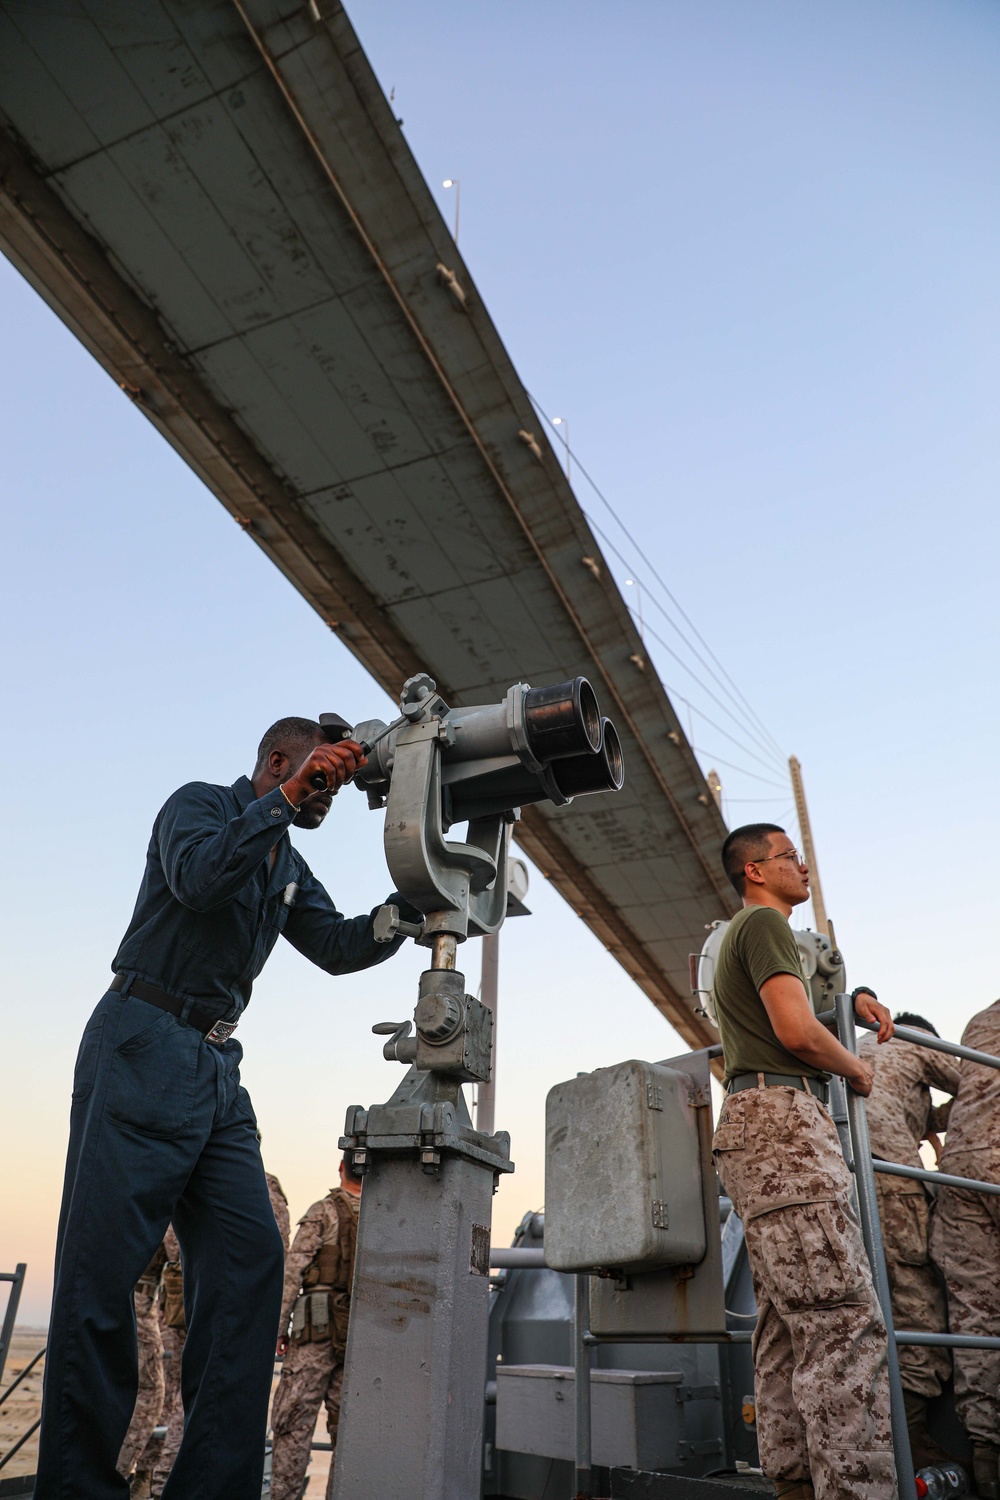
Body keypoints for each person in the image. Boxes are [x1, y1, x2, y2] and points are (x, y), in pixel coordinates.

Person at [35, 718, 420, 1500]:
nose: (325, 797)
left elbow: (339, 945)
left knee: (251, 1263)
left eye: (331, 788)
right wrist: (287, 798)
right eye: (318, 778)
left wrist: (409, 909)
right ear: (279, 761)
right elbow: (201, 879)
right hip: (142, 1038)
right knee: (101, 1277)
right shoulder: (200, 808)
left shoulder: (285, 860)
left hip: (215, 1065)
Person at [710, 822, 896, 1500]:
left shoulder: (744, 936)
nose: (803, 864)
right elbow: (793, 1029)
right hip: (785, 1129)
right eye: (790, 856)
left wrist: (851, 999)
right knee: (842, 1321)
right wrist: (855, 1068)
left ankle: (793, 1485)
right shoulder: (764, 927)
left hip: (756, 1130)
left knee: (787, 1328)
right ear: (756, 871)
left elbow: (792, 1012)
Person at [859, 1012, 959, 1468]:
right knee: (915, 1298)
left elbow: (899, 1108)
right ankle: (913, 1436)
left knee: (862, 1306)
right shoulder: (912, 1038)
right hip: (888, 1180)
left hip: (839, 1176)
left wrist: (933, 1119)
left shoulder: (860, 1048)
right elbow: (975, 1081)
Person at [150, 1171, 291, 1498]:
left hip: (182, 1306)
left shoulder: (179, 1174)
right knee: (202, 1403)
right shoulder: (257, 1185)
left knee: (182, 1401)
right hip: (221, 1307)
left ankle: (160, 1485)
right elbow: (273, 1248)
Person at [930, 998, 1000, 1499]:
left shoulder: (980, 1021)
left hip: (960, 1169)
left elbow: (966, 1095)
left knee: (977, 1313)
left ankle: (988, 1458)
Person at [270, 1155, 362, 1500]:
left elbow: (292, 1273)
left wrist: (280, 1328)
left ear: (342, 1166)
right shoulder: (378, 1217)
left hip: (315, 1335)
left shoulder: (323, 1212)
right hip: (357, 1337)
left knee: (293, 1423)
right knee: (348, 1432)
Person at [117, 1244, 167, 1497]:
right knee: (151, 1395)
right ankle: (121, 1475)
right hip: (139, 1303)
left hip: (118, 1296)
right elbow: (180, 1250)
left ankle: (140, 1476)